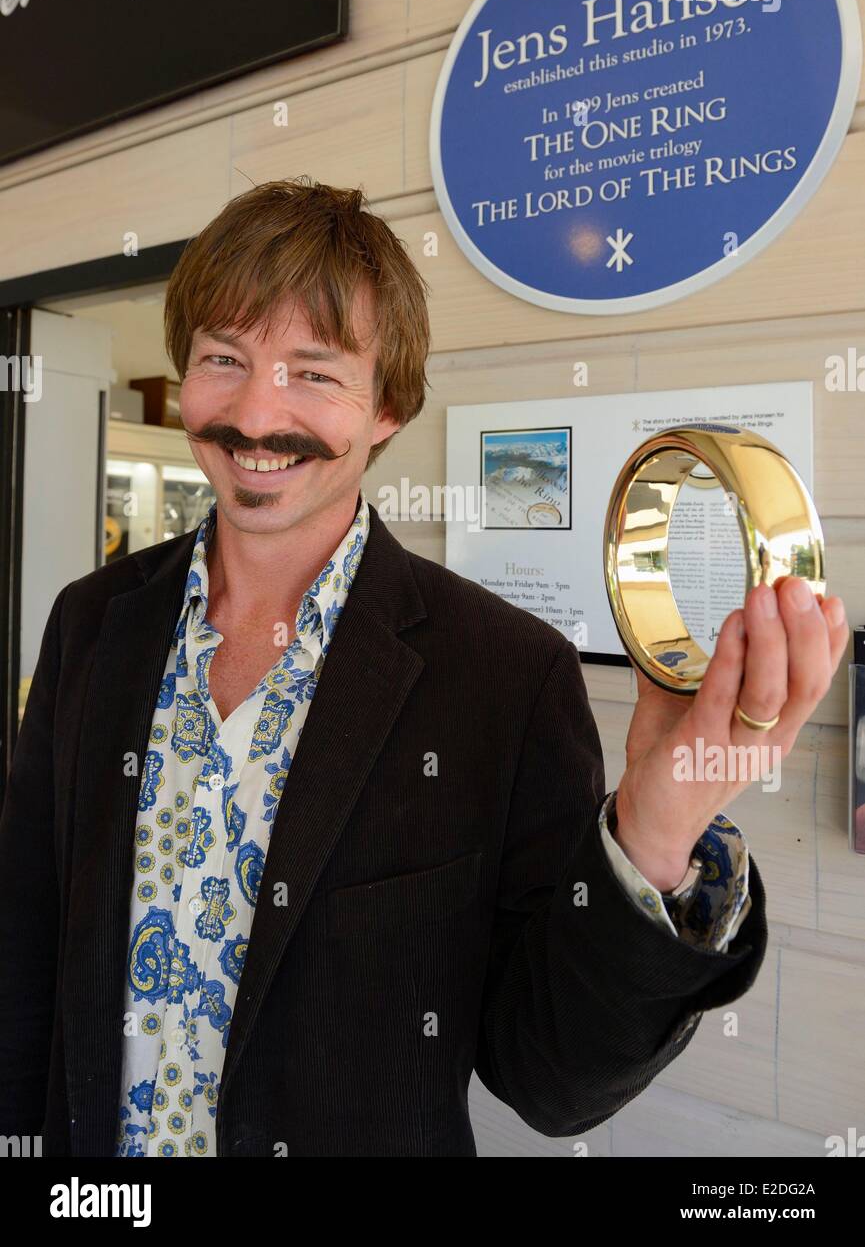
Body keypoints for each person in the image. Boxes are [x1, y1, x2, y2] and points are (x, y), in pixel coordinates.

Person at [0, 179, 848, 1157]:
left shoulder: (501, 675)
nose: (255, 411)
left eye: (313, 373)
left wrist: (660, 820)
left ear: (388, 405)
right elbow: (28, 941)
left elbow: (550, 1081)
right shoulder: (92, 621)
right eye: (223, 359)